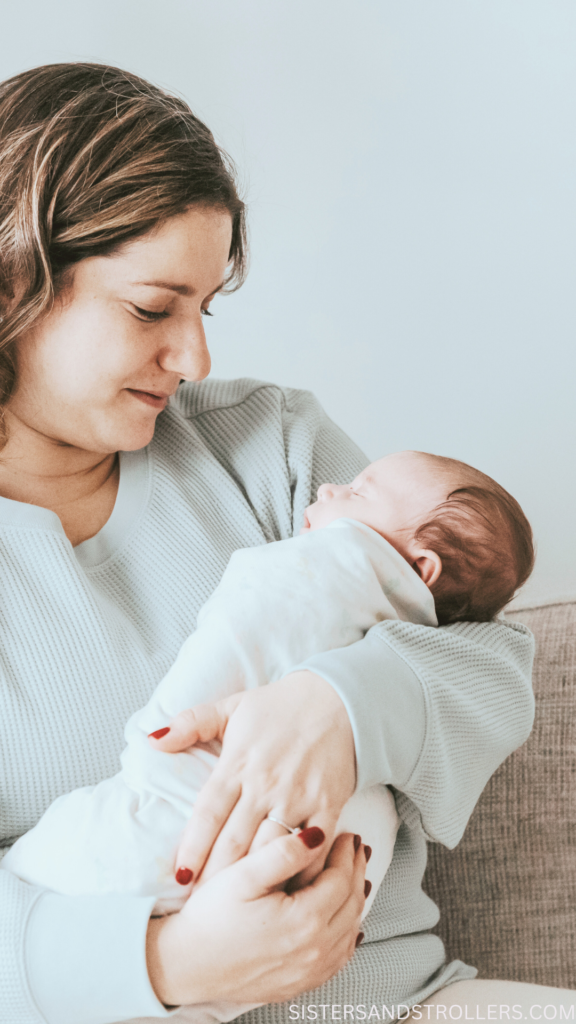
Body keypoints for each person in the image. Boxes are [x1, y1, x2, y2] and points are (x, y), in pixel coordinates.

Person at [0, 61, 571, 1024]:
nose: (195, 359)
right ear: (18, 277)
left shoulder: (271, 447)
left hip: (399, 1007)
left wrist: (343, 709)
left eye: (205, 308)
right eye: (152, 308)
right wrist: (165, 964)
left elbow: (493, 662)